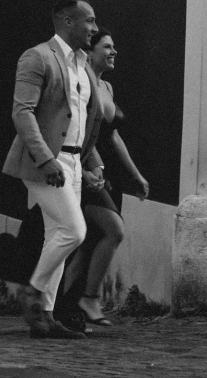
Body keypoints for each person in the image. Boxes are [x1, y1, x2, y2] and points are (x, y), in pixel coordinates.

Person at [2, 0, 104, 339]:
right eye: (88, 20)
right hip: (45, 161)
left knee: (57, 235)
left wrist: (90, 161)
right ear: (67, 21)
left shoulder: (83, 64)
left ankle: (44, 317)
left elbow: (81, 118)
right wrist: (46, 159)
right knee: (75, 231)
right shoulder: (37, 57)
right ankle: (33, 290)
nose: (95, 27)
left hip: (74, 161)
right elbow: (22, 112)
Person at [57, 28, 150, 327]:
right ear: (92, 51)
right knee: (114, 231)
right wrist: (85, 170)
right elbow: (77, 131)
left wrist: (135, 175)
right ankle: (89, 298)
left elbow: (114, 137)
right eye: (108, 47)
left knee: (90, 241)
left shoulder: (106, 87)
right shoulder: (80, 82)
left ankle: (67, 309)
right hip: (86, 170)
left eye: (114, 47)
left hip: (109, 175)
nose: (114, 52)